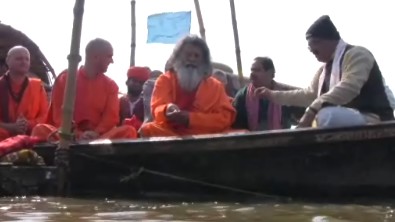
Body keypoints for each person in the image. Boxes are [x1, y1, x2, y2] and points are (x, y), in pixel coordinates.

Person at [255, 15, 394, 128]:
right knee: (320, 115)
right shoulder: (324, 70)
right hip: (351, 119)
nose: (312, 53)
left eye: (313, 47)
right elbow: (309, 95)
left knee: (326, 116)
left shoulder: (358, 55)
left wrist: (313, 110)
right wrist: (272, 95)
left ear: (325, 41)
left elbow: (348, 88)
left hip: (374, 119)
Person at [31, 38, 137, 141]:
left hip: (98, 138)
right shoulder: (66, 79)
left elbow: (111, 117)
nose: (112, 61)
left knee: (129, 131)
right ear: (95, 57)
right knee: (39, 130)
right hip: (67, 136)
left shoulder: (111, 85)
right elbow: (58, 116)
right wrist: (77, 134)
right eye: (109, 56)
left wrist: (96, 132)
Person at [139, 35, 236, 137]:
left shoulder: (216, 86)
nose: (192, 59)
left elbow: (224, 118)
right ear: (178, 57)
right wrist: (167, 109)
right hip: (171, 133)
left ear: (204, 61)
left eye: (196, 56)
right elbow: (157, 108)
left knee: (240, 134)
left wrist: (190, 119)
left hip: (205, 134)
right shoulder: (165, 80)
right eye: (188, 55)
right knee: (148, 129)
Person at [233, 57, 304, 131]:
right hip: (251, 141)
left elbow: (303, 115)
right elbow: (237, 127)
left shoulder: (285, 95)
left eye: (257, 70)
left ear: (272, 74)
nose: (252, 74)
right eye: (252, 70)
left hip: (282, 140)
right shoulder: (242, 96)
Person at [0, 46, 48, 141]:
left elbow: (45, 115)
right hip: (4, 135)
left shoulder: (37, 86)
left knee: (44, 130)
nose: (24, 62)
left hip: (31, 134)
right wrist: (12, 127)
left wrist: (27, 124)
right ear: (7, 61)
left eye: (27, 59)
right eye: (19, 59)